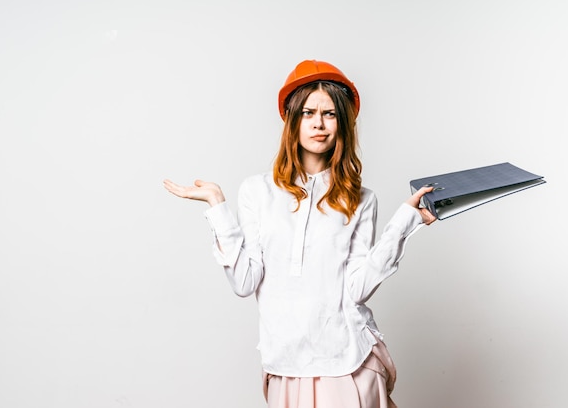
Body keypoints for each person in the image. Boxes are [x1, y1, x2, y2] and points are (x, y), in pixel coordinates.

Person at [163, 59, 436, 408]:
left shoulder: (361, 199)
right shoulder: (256, 191)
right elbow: (244, 282)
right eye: (308, 113)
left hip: (349, 362)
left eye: (330, 114)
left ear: (344, 123)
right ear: (292, 120)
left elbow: (358, 288)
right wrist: (217, 206)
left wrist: (404, 222)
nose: (319, 124)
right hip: (285, 364)